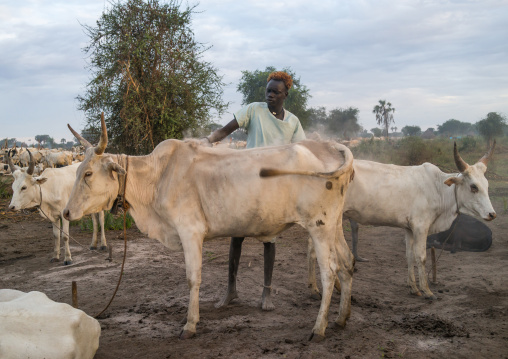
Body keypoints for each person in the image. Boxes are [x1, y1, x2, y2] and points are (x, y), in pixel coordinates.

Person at [204, 71, 306, 311]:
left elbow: (303, 151)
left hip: (274, 187)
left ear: (285, 95)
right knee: (236, 234)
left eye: (276, 92)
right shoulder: (253, 110)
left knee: (269, 238)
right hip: (247, 182)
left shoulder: (292, 122)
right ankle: (231, 290)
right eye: (268, 91)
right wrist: (206, 142)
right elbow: (226, 130)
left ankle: (266, 293)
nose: (270, 95)